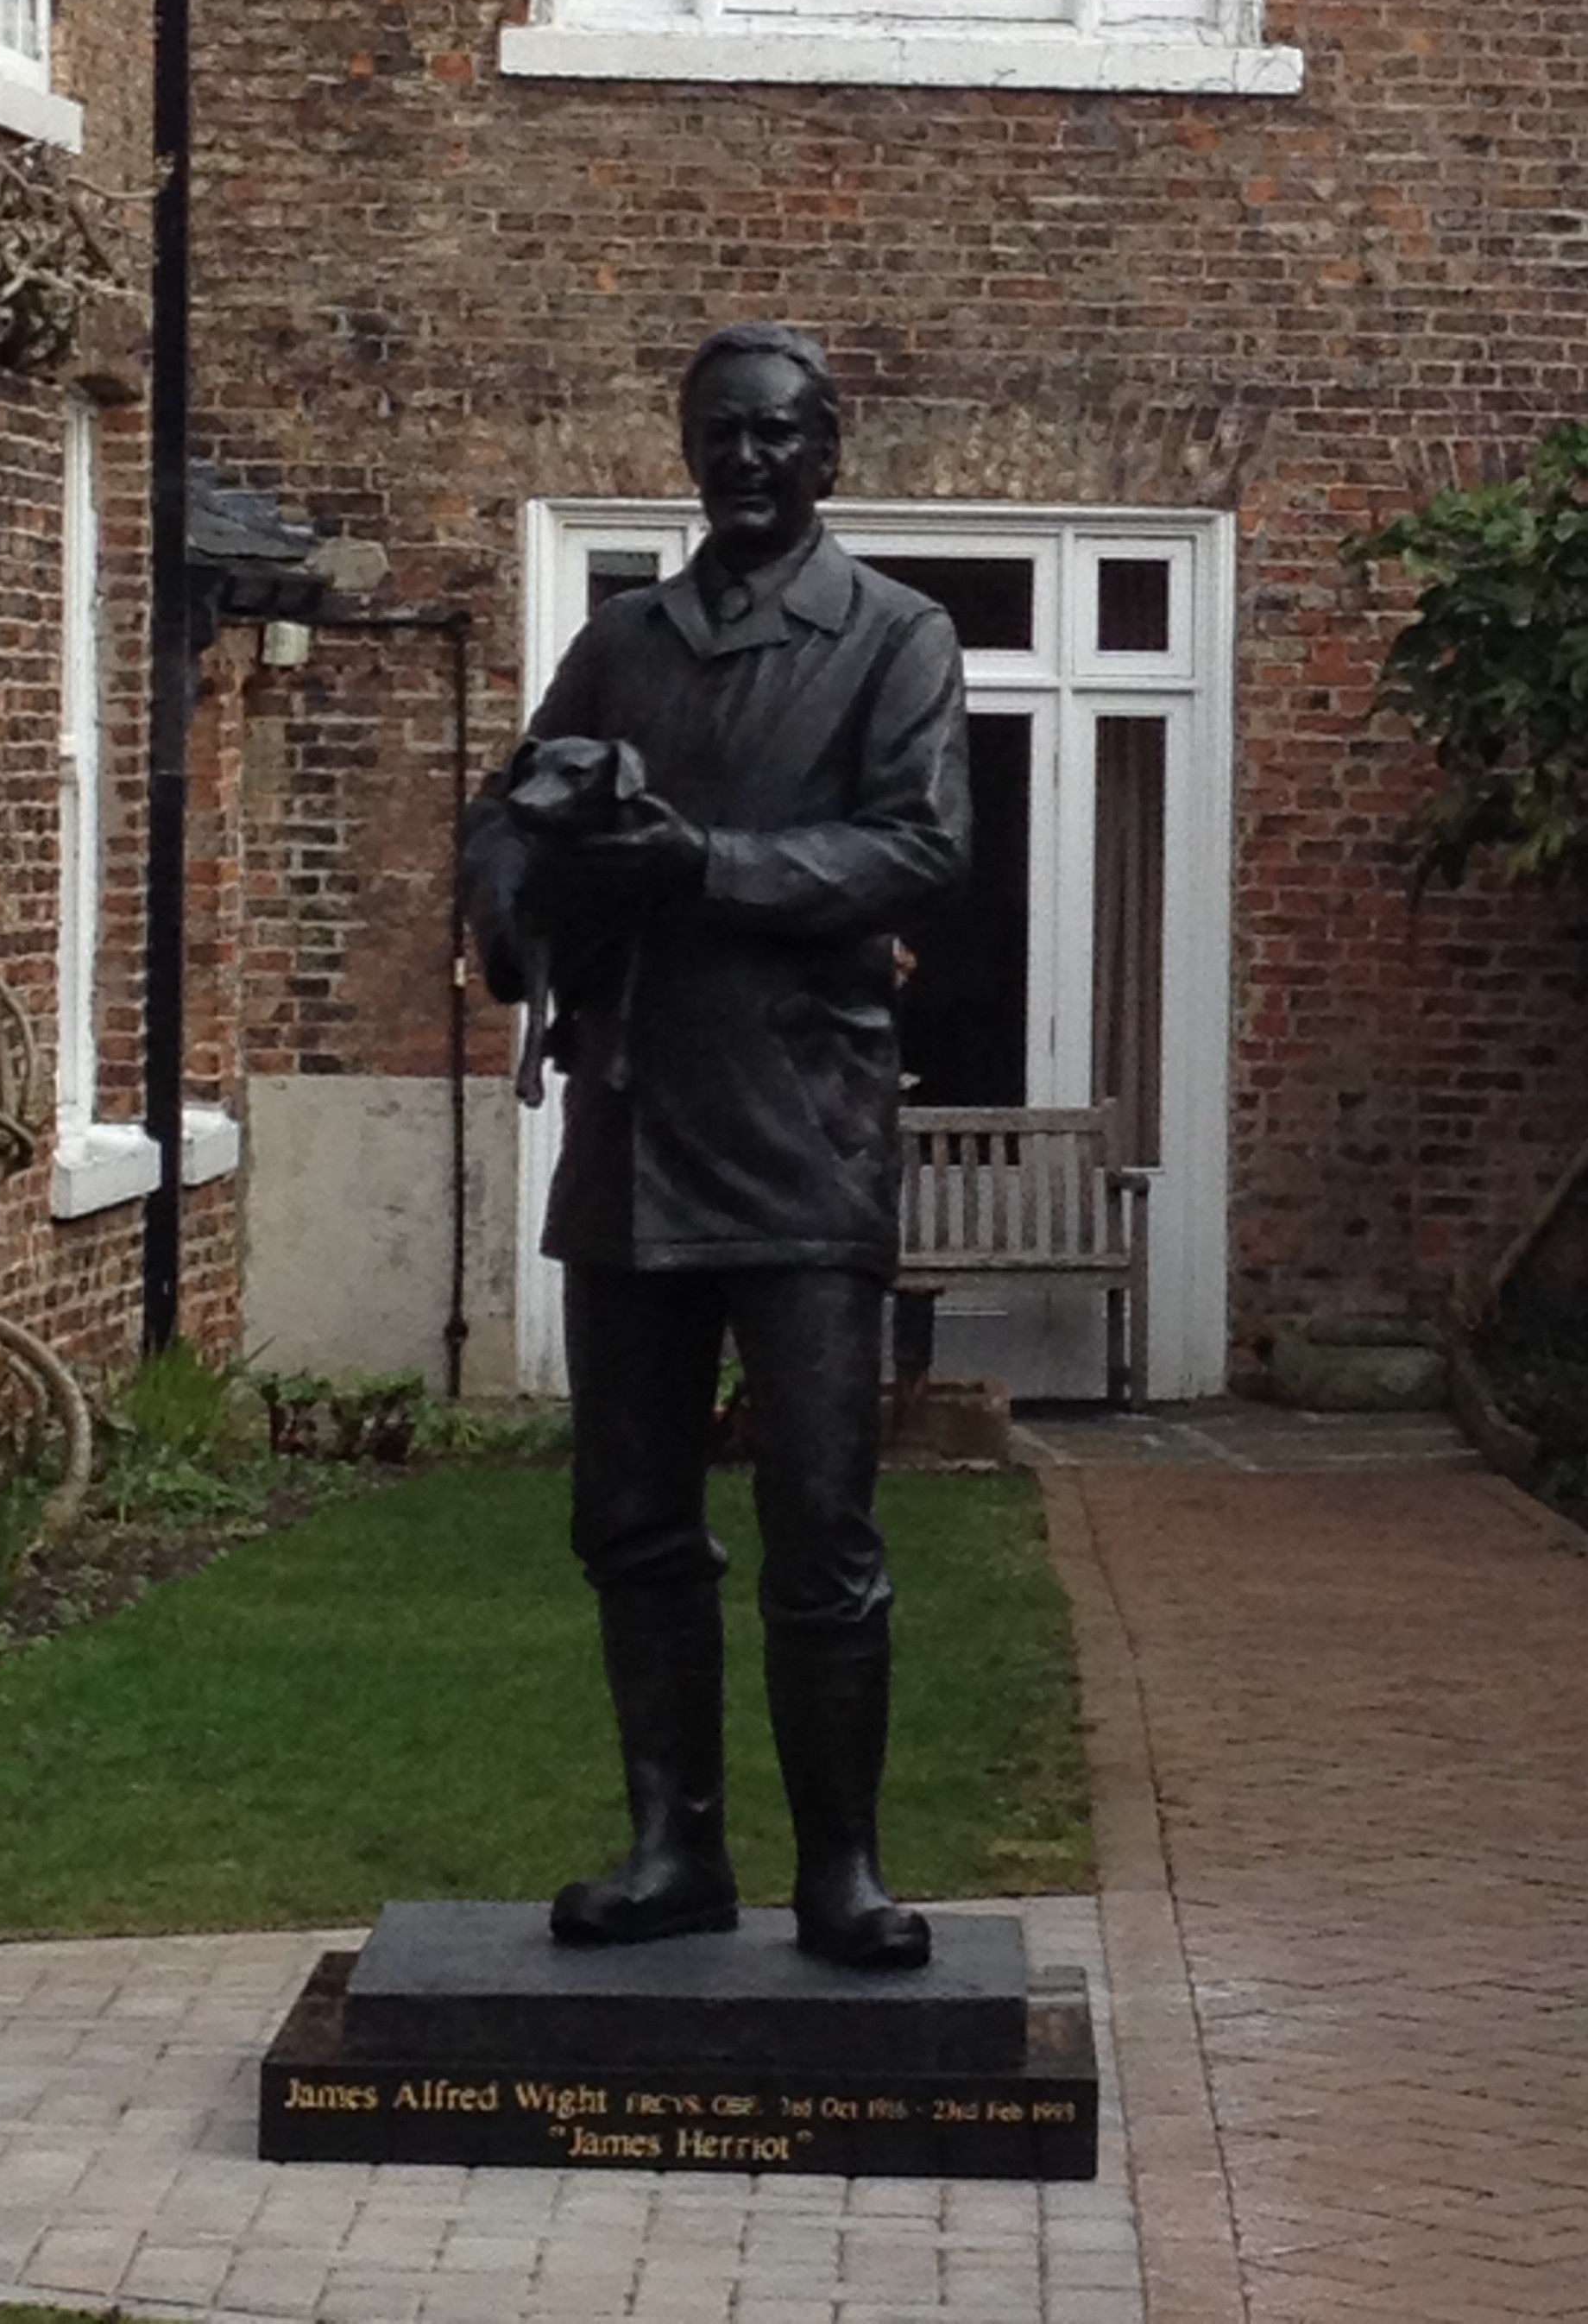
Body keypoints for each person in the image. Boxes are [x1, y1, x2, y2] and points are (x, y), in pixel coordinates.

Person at [465, 325, 970, 1970]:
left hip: (804, 1140)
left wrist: (702, 866)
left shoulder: (895, 636)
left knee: (821, 1524)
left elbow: (914, 848)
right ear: (685, 450)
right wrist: (513, 874)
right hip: (632, 1126)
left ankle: (843, 1869)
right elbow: (507, 812)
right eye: (717, 435)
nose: (744, 461)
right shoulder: (624, 645)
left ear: (831, 454)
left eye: (775, 436)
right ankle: (674, 1844)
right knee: (630, 1518)